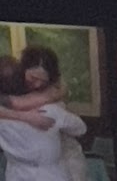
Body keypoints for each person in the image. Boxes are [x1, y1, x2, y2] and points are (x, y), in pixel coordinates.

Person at [5, 50, 87, 181]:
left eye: (43, 80)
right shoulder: (13, 93)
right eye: (33, 78)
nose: (37, 84)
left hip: (65, 156)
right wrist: (26, 116)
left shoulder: (54, 95)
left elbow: (79, 128)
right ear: (22, 70)